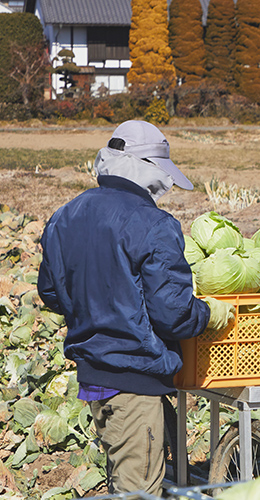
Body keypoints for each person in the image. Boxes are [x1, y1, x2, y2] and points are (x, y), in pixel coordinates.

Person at [37, 120, 233, 495]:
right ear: (148, 168)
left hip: (95, 378)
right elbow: (172, 313)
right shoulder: (153, 224)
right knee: (138, 489)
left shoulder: (65, 215)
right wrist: (209, 315)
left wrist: (96, 305)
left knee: (121, 476)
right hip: (135, 381)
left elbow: (50, 292)